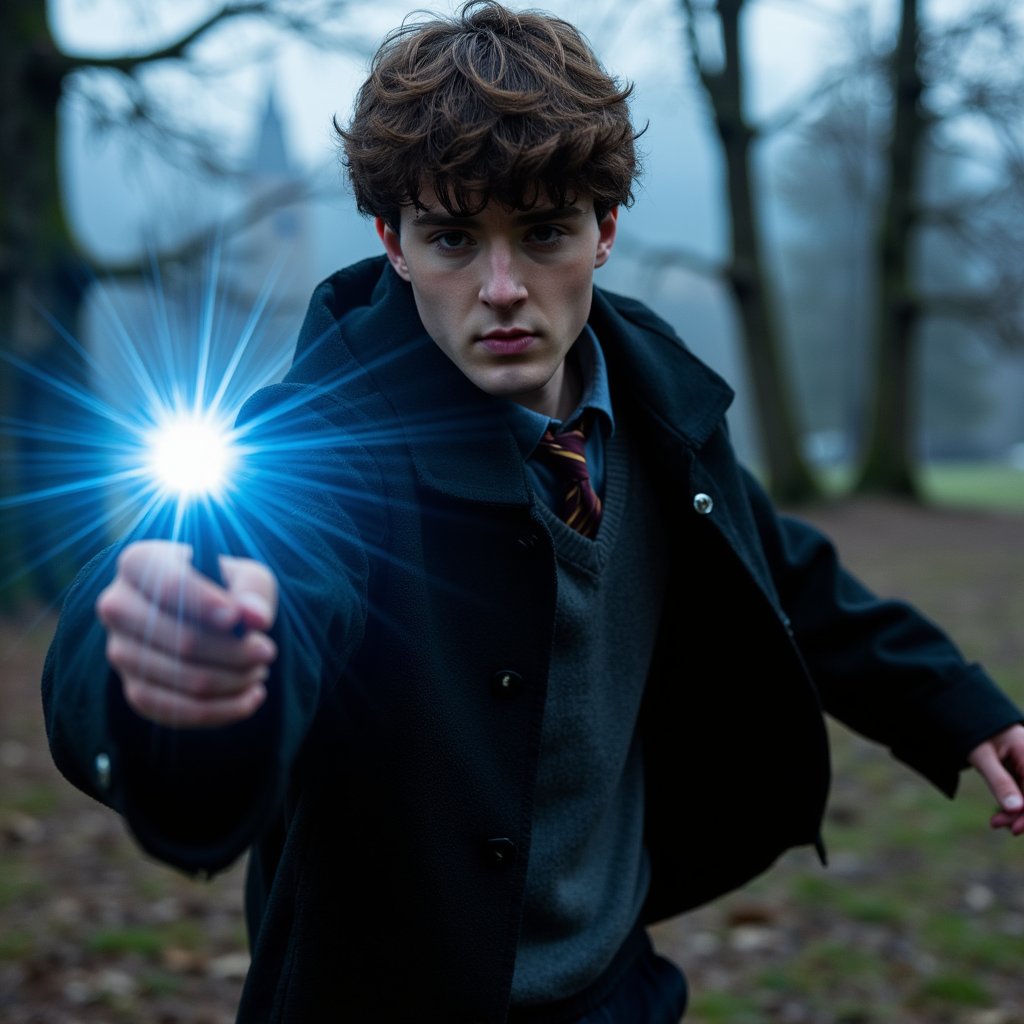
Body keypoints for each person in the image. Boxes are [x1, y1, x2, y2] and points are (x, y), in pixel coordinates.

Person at [42, 3, 1024, 1022]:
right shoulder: (320, 445)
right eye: (455, 239)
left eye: (544, 232)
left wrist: (956, 705)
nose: (502, 289)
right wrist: (162, 687)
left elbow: (777, 566)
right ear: (393, 242)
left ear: (604, 231)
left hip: (619, 989)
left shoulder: (658, 397)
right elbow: (200, 591)